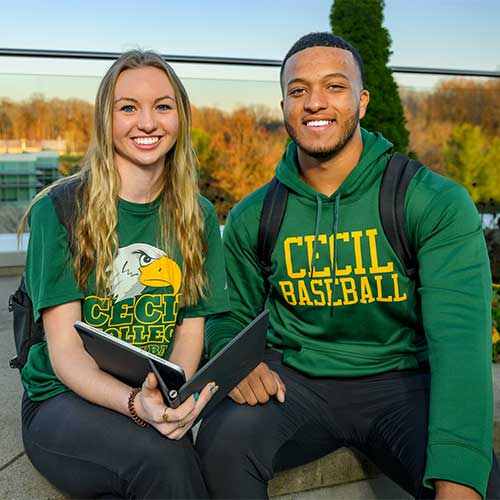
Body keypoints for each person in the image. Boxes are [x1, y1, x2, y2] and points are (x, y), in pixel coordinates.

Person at [196, 32, 498, 499]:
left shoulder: (429, 201)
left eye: (334, 87)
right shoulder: (255, 215)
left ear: (362, 100)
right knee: (220, 443)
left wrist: (459, 478)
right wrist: (236, 362)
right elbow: (227, 315)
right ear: (283, 106)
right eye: (299, 91)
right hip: (293, 384)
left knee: (483, 483)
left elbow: (461, 346)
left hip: (402, 385)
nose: (315, 102)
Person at [19, 50, 228, 499]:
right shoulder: (59, 211)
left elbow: (191, 331)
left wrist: (171, 401)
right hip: (62, 399)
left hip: (149, 394)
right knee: (164, 457)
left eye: (163, 106)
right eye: (128, 107)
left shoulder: (199, 216)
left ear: (181, 118)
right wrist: (137, 406)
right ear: (104, 120)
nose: (147, 122)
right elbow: (67, 353)